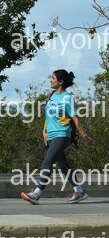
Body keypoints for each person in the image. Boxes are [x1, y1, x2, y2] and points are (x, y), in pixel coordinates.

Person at [21, 70, 95, 205]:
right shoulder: (52, 95)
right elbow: (48, 115)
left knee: (47, 162)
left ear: (61, 82)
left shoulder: (67, 98)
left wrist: (85, 136)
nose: (51, 80)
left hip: (62, 134)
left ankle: (36, 193)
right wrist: (44, 131)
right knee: (64, 166)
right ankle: (79, 191)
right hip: (51, 135)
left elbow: (75, 118)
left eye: (53, 78)